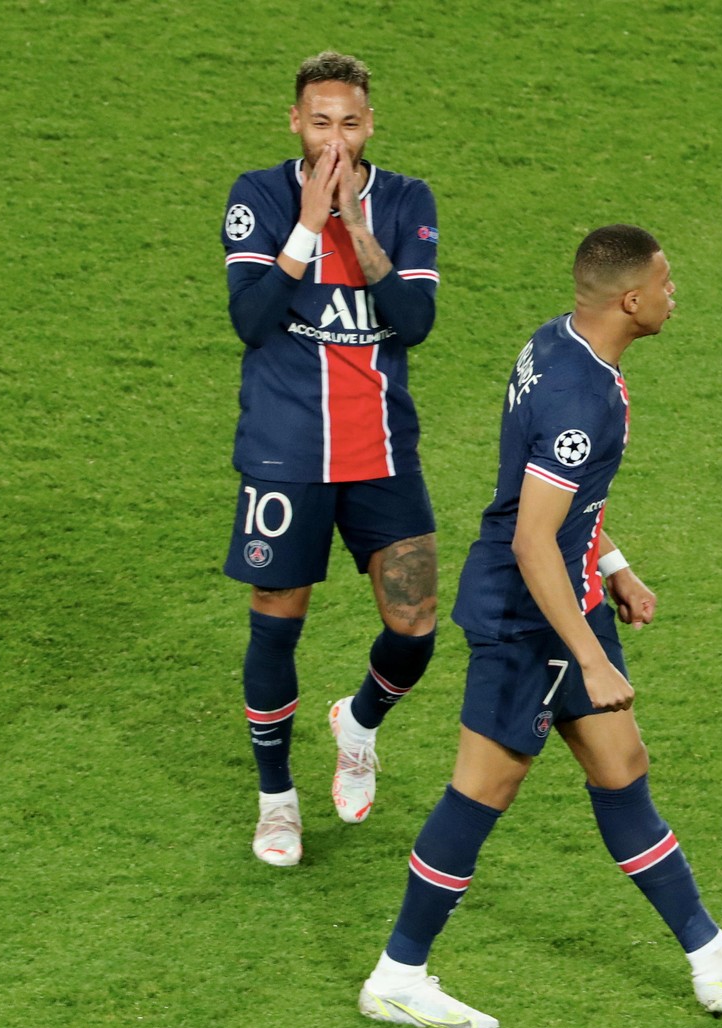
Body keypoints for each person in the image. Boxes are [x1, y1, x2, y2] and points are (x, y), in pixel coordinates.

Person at [358, 225, 722, 1028]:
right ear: (631, 299)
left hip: (566, 600)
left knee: (621, 766)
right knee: (484, 788)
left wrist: (613, 568)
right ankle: (398, 974)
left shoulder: (557, 344)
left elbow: (563, 511)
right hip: (527, 619)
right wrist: (589, 657)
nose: (675, 294)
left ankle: (714, 961)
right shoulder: (584, 402)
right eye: (667, 283)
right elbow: (531, 537)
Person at [220, 51, 441, 867]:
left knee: (415, 624)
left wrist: (354, 226)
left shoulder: (407, 201)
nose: (336, 139)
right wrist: (308, 228)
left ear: (370, 123)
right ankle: (277, 802)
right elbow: (251, 318)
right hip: (284, 453)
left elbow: (413, 319)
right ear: (295, 122)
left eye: (350, 122)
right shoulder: (260, 196)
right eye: (321, 122)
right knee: (277, 628)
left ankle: (360, 724)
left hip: (381, 449)